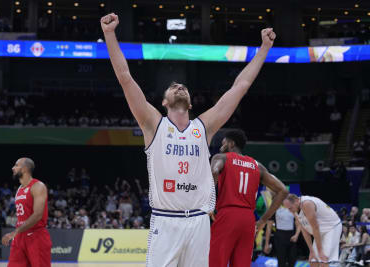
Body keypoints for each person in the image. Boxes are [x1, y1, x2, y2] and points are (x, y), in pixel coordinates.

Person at [100, 12, 275, 267]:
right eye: (172, 87)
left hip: (198, 222)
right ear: (163, 101)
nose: (178, 86)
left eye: (182, 87)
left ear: (191, 102)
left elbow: (241, 85)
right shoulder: (153, 124)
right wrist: (109, 35)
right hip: (165, 220)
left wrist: (264, 49)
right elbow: (125, 78)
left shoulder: (203, 127)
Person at [209, 130, 288, 267]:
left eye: (224, 143)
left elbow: (214, 171)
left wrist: (209, 202)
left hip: (228, 214)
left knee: (216, 261)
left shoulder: (221, 157)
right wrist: (263, 219)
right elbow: (282, 190)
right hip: (248, 219)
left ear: (231, 143)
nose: (221, 146)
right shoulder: (257, 165)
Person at [2, 158, 51, 267]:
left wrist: (15, 232)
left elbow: (37, 215)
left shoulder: (38, 186)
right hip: (20, 237)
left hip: (36, 236)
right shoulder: (19, 189)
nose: (13, 168)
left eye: (16, 165)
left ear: (24, 168)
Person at [283, 194, 342, 267]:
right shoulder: (294, 210)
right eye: (288, 208)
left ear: (296, 201)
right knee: (313, 260)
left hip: (332, 228)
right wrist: (311, 250)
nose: (289, 211)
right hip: (320, 231)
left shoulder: (307, 204)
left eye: (290, 208)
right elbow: (304, 230)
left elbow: (315, 227)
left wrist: (320, 251)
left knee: (323, 259)